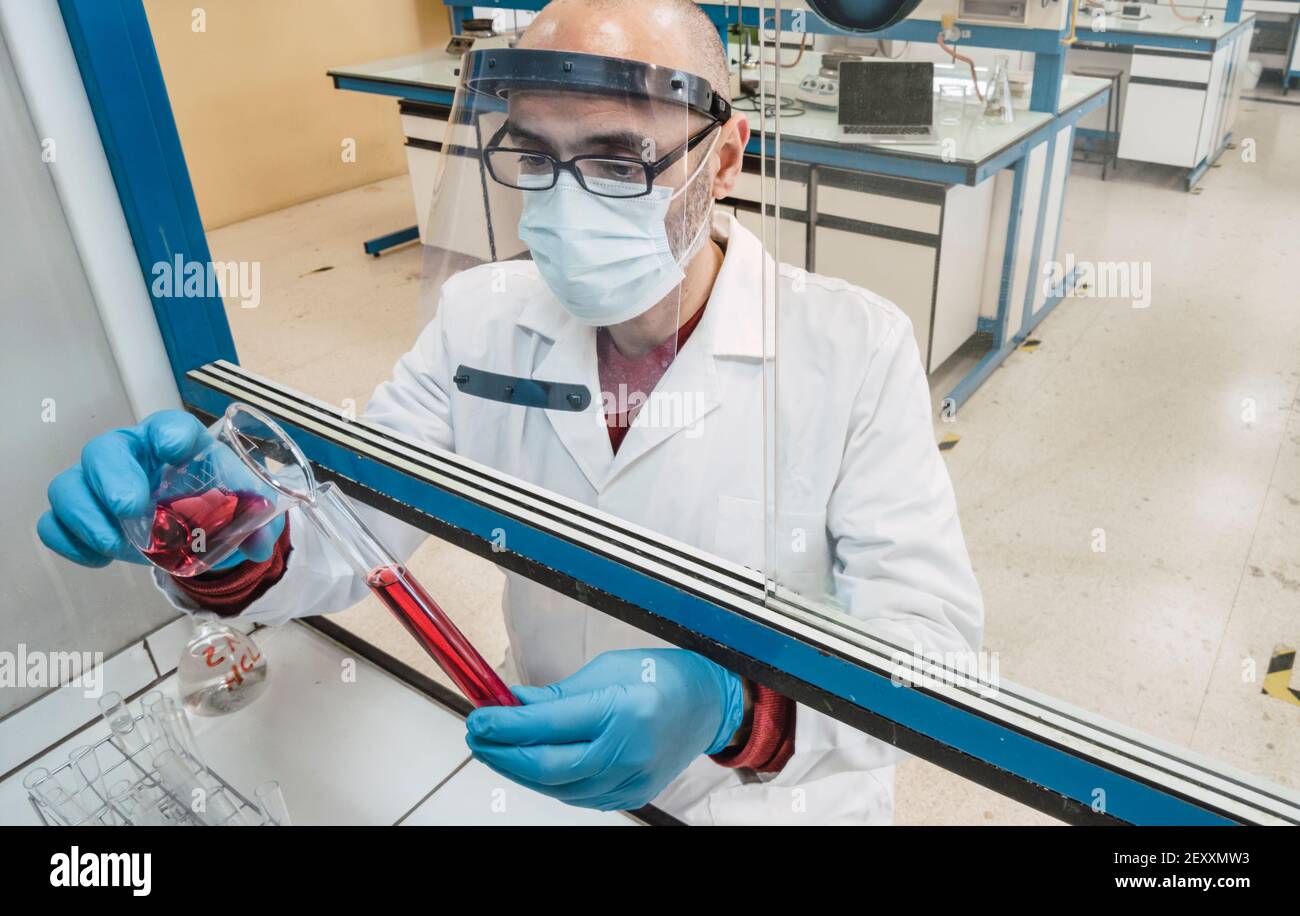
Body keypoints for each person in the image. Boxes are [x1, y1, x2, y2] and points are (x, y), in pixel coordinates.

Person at [38, 0, 982, 825]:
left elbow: (934, 657)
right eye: (535, 153)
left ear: (724, 158)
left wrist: (733, 709)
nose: (567, 203)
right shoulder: (483, 316)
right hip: (542, 760)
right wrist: (240, 538)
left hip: (771, 799)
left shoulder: (854, 350)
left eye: (618, 159)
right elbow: (352, 530)